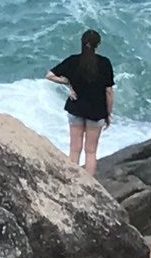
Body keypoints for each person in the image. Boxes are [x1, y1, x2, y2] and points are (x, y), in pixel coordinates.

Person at [46, 29, 115, 176]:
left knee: (74, 148)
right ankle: (88, 185)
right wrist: (108, 114)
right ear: (98, 45)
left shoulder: (73, 61)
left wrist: (65, 82)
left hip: (75, 108)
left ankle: (73, 182)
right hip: (96, 112)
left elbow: (50, 75)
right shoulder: (104, 63)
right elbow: (108, 92)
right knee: (90, 151)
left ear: (82, 44)